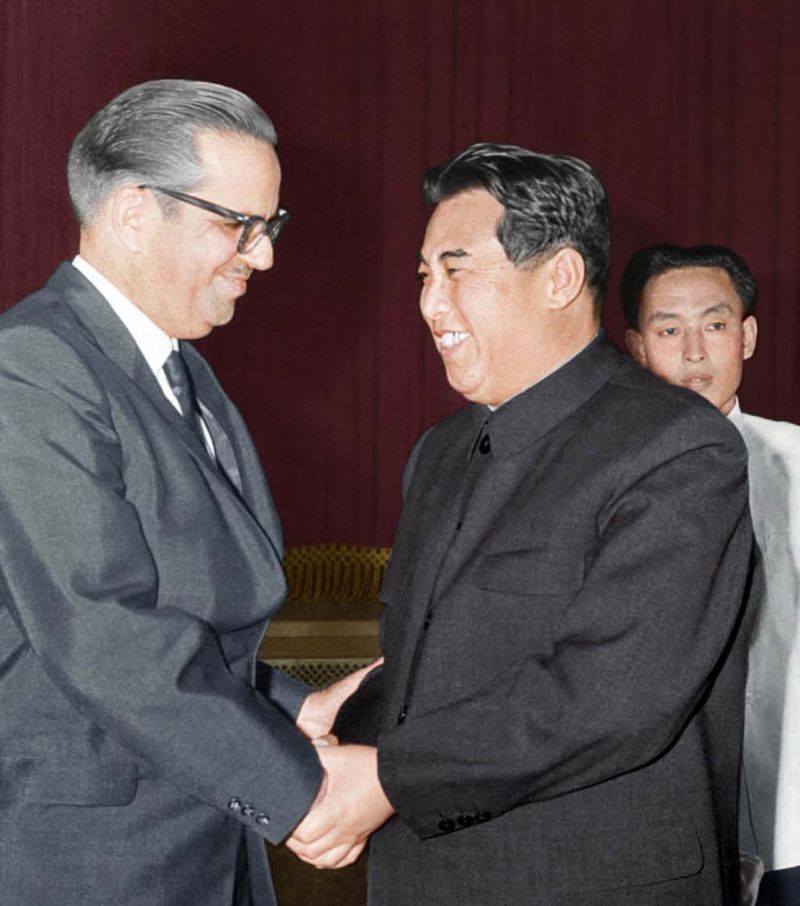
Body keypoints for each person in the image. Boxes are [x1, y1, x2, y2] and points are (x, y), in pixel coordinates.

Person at [287, 143, 756, 905]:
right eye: (424, 276)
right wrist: (343, 710)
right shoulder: (440, 451)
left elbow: (614, 695)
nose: (430, 304)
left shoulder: (678, 447)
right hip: (425, 877)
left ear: (560, 278)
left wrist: (386, 778)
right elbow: (452, 657)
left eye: (456, 270)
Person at [0, 78, 369, 906]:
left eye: (270, 227)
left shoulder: (178, 366)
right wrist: (302, 794)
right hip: (89, 862)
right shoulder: (31, 366)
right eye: (237, 225)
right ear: (135, 212)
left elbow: (187, 614)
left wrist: (291, 711)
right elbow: (104, 633)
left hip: (195, 843)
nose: (263, 256)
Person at [622, 243, 800, 906]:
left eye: (715, 325)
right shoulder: (603, 482)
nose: (694, 352)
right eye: (670, 330)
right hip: (664, 832)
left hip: (793, 812)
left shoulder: (798, 462)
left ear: (747, 336)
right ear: (637, 347)